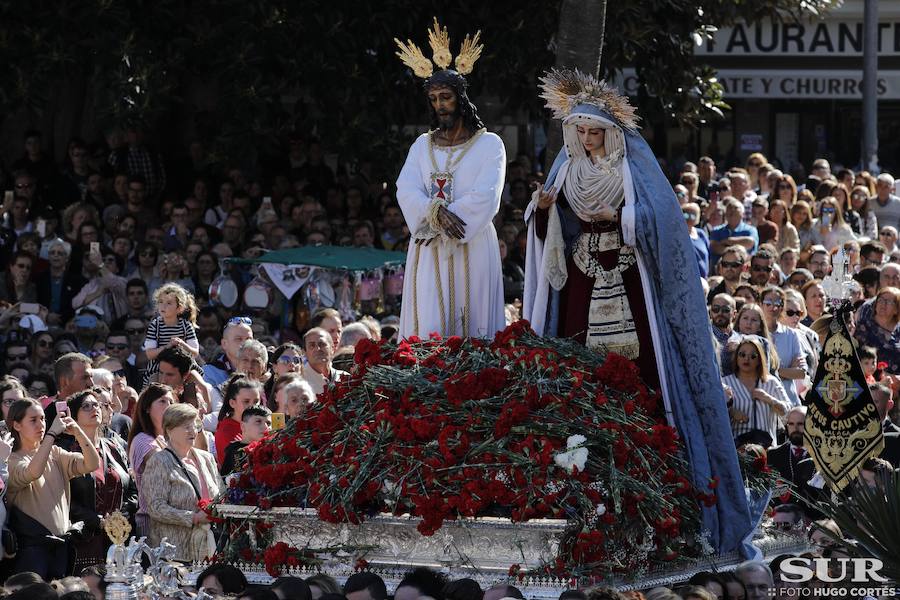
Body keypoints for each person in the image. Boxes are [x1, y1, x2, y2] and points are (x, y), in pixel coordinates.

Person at [524, 68, 749, 554]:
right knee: (579, 368)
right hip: (582, 281)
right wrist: (543, 211)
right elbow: (550, 236)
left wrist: (621, 217)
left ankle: (657, 461)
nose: (587, 140)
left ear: (612, 131)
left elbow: (664, 223)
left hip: (630, 279)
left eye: (595, 132)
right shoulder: (565, 167)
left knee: (644, 373)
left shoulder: (632, 166)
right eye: (580, 131)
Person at [394, 21, 506, 338]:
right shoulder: (422, 144)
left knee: (473, 322)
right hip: (429, 244)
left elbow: (488, 194)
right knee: (428, 320)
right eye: (434, 99)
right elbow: (405, 188)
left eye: (445, 97)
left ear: (460, 98)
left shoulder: (489, 144)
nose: (440, 105)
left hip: (472, 242)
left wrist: (450, 216)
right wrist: (436, 212)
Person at [6, 398, 101, 579]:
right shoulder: (10, 460)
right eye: (33, 420)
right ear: (17, 425)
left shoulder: (55, 453)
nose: (40, 424)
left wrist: (77, 431)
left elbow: (92, 463)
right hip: (31, 551)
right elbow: (33, 472)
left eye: (42, 418)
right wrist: (51, 435)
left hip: (61, 547)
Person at [59, 389, 137, 571]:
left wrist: (122, 514)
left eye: (96, 404)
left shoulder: (114, 446)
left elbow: (132, 489)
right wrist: (97, 520)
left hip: (117, 536)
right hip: (84, 539)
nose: (94, 408)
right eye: (86, 406)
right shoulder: (65, 451)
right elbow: (62, 498)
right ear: (74, 417)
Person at [142, 403, 220, 563]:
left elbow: (221, 493)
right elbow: (156, 507)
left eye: (195, 425)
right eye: (186, 427)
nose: (193, 431)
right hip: (174, 553)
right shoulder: (159, 461)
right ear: (169, 430)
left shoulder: (206, 458)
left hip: (209, 546)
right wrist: (194, 517)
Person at [722, 337, 790, 447]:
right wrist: (731, 412)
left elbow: (788, 412)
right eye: (742, 354)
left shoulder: (771, 382)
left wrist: (769, 399)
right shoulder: (725, 383)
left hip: (767, 448)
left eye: (753, 356)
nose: (746, 359)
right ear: (736, 357)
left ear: (759, 360)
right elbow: (713, 413)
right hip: (738, 448)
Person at [126, 383, 174, 536]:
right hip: (152, 524)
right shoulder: (142, 440)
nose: (169, 406)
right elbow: (166, 466)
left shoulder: (168, 440)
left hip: (173, 520)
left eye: (171, 402)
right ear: (147, 408)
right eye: (162, 401)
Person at [142, 283, 199, 388]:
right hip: (160, 365)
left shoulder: (186, 325)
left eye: (169, 303)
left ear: (179, 308)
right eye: (161, 302)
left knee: (199, 383)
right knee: (153, 386)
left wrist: (182, 344)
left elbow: (195, 353)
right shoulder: (155, 325)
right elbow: (150, 354)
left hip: (184, 365)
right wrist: (167, 347)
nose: (163, 306)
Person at [214, 374, 262, 468]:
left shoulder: (262, 423)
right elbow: (242, 464)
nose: (253, 406)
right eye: (246, 401)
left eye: (256, 401)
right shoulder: (226, 432)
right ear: (232, 403)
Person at [853, 286, 900, 373]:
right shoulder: (864, 327)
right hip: (873, 381)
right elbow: (858, 359)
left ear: (896, 309)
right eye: (880, 300)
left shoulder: (898, 328)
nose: (883, 304)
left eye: (889, 302)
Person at [220, 405, 271, 477]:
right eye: (258, 421)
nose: (266, 427)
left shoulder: (272, 448)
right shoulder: (235, 451)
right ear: (243, 426)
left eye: (268, 423)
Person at [302, 327, 348, 396]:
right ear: (305, 352)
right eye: (312, 345)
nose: (317, 349)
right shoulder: (299, 382)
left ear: (332, 348)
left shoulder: (346, 379)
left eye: (322, 344)